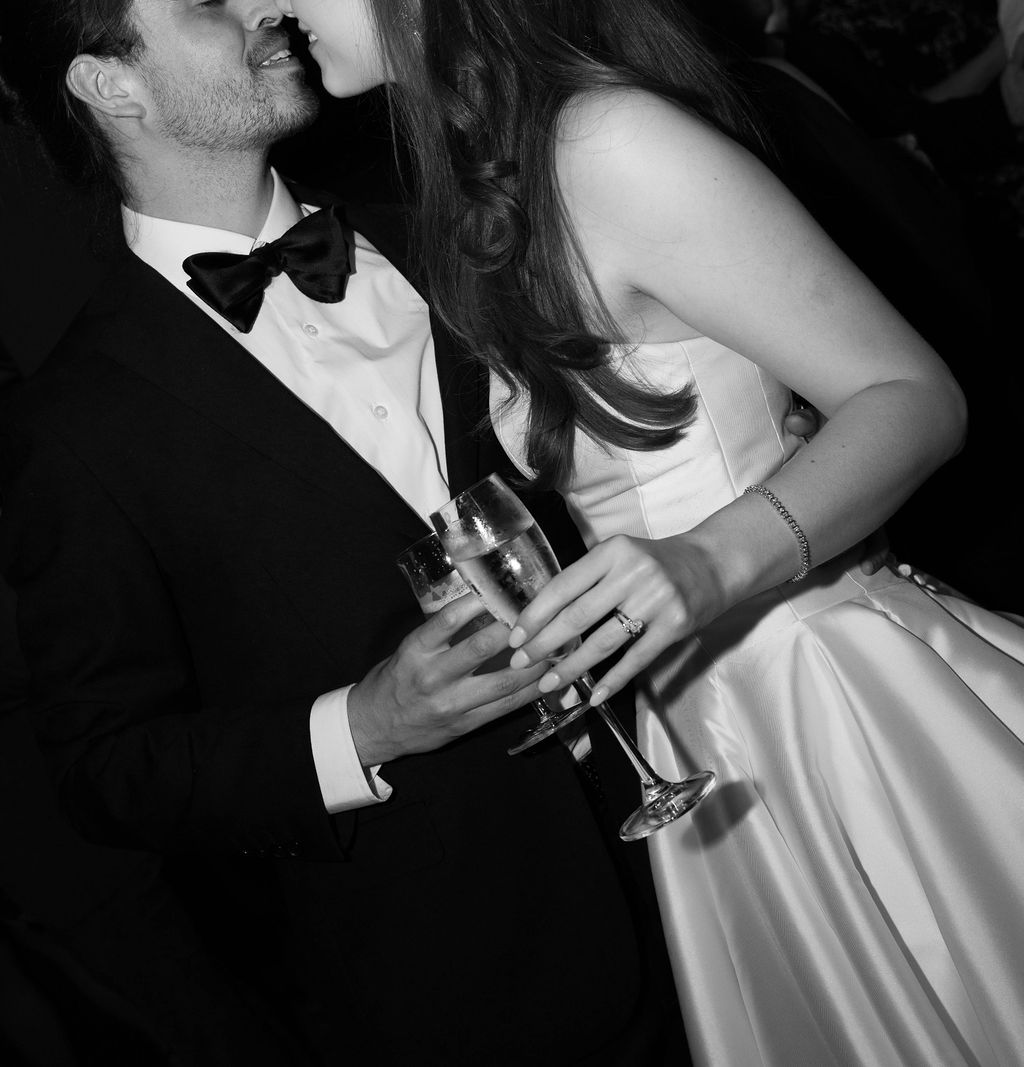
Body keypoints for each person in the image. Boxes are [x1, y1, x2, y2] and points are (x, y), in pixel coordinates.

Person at [278, 0, 1024, 1064]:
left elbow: (913, 394)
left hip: (819, 691)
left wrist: (704, 561)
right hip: (698, 723)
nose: (266, 7)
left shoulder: (608, 141)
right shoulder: (489, 171)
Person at [0, 1, 703, 1063]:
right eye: (201, 3)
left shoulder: (457, 227)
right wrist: (362, 727)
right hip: (464, 976)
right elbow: (106, 765)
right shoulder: (76, 424)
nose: (260, 5)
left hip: (704, 822)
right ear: (110, 86)